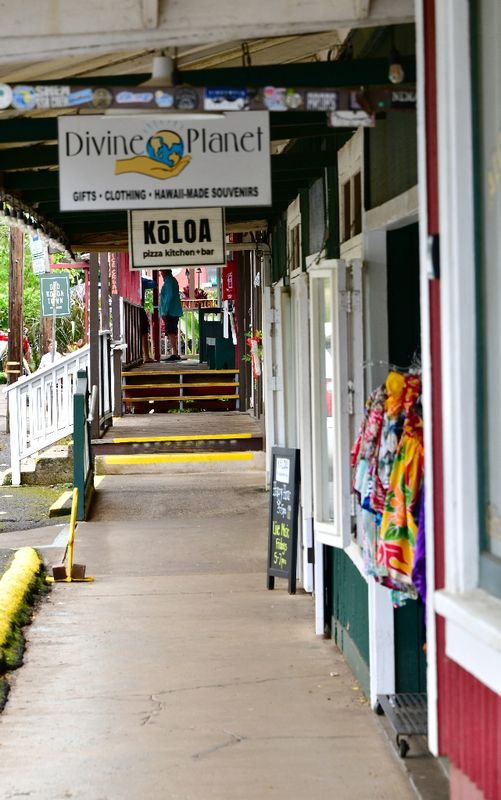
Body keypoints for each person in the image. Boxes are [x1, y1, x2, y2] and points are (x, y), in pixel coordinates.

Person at [159, 269, 183, 361]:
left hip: (170, 311)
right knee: (172, 332)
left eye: (161, 272)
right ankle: (175, 353)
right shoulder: (172, 280)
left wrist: (164, 311)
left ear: (165, 272)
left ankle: (175, 354)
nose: (161, 273)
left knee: (171, 332)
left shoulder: (169, 281)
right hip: (173, 310)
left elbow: (168, 297)